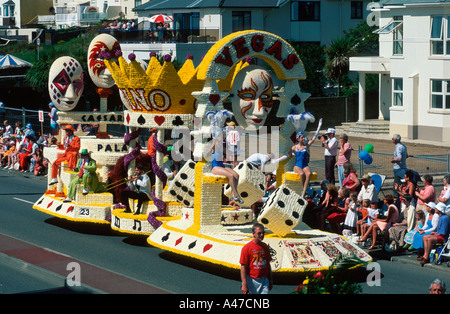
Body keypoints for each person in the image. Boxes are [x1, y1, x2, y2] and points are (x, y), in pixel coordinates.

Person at [210, 130, 243, 204]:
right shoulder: (214, 146)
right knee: (231, 176)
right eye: (220, 136)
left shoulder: (222, 147)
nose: (222, 137)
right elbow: (213, 140)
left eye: (222, 136)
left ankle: (232, 194)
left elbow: (229, 152)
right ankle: (236, 194)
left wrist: (233, 147)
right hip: (215, 168)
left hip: (222, 166)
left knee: (236, 175)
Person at [240, 223, 273, 294]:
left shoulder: (265, 247)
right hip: (251, 280)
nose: (262, 235)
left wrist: (270, 280)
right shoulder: (246, 248)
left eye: (263, 233)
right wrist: (244, 284)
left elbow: (268, 265)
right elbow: (243, 267)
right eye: (259, 233)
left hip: (264, 280)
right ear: (253, 234)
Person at [287, 130, 317, 197]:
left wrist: (319, 127)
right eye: (302, 137)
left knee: (308, 174)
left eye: (304, 137)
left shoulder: (306, 146)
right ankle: (304, 191)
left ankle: (303, 192)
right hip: (297, 166)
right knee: (302, 174)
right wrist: (279, 158)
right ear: (298, 139)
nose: (303, 139)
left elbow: (313, 138)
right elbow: (288, 155)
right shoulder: (294, 147)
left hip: (305, 165)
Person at [391, 134, 408, 198]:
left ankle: (396, 198)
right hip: (403, 167)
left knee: (396, 184)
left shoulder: (398, 147)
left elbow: (399, 158)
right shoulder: (403, 146)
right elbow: (406, 156)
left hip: (398, 168)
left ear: (394, 140)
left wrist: (393, 160)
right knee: (402, 184)